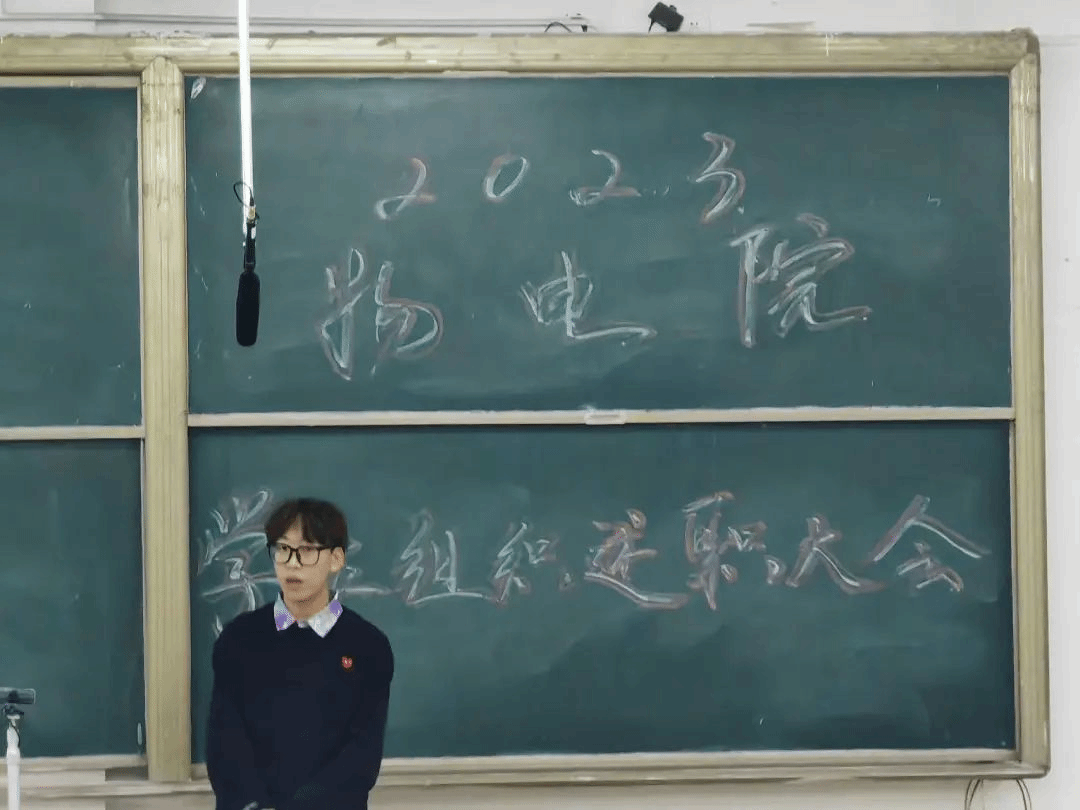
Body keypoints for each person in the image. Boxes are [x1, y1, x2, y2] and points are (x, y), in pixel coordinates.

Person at [207, 498, 394, 810]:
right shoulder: (238, 640)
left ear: (336, 559)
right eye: (283, 549)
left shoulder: (368, 646)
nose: (292, 563)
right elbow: (226, 743)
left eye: (307, 550)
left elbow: (361, 756)